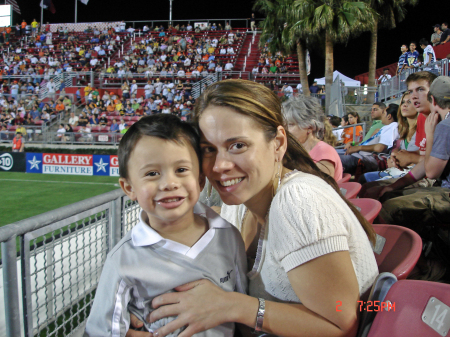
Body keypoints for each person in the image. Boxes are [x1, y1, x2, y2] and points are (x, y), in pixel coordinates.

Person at [126, 80, 378, 337]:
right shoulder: (239, 206)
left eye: (238, 146)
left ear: (278, 143)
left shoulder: (299, 200)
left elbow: (341, 324)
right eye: (208, 150)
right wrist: (151, 308)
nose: (220, 165)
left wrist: (234, 306)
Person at [85, 114, 247, 336]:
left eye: (181, 170)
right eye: (152, 173)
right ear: (129, 188)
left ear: (200, 180)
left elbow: (243, 311)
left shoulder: (229, 236)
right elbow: (100, 332)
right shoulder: (122, 261)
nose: (169, 183)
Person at [360, 92, 419, 183]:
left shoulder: (421, 129)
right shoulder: (403, 130)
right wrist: (394, 158)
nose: (404, 105)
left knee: (368, 181)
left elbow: (424, 158)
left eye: (409, 102)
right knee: (365, 178)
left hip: (414, 173)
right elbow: (399, 151)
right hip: (398, 169)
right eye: (403, 102)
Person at [283, 96, 343, 181]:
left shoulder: (324, 153)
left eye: (290, 124)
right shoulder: (297, 150)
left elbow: (319, 189)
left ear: (310, 127)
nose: (285, 130)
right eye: (283, 125)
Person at [339, 104, 399, 174]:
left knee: (331, 159)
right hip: (358, 154)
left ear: (389, 116)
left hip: (363, 157)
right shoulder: (385, 127)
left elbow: (379, 148)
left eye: (383, 113)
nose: (381, 115)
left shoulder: (392, 127)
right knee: (331, 153)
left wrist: (358, 147)